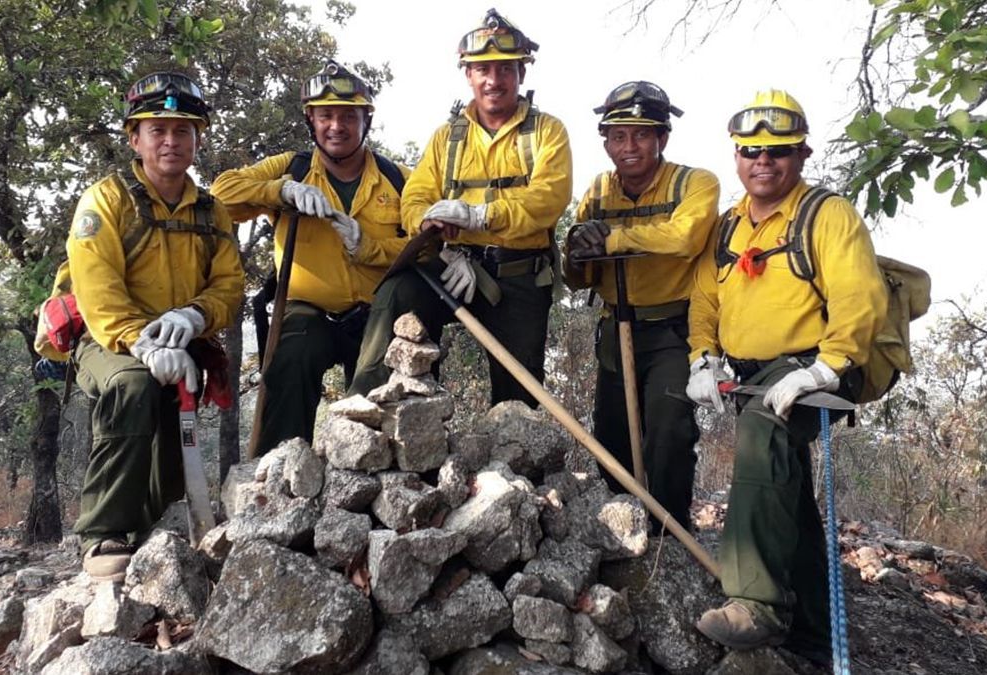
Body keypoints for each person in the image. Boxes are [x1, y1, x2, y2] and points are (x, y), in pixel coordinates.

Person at [687, 89, 887, 663]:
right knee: (785, 487)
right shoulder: (728, 227)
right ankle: (815, 633)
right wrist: (703, 355)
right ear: (736, 156)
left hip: (816, 367)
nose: (763, 162)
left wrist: (825, 365)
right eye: (751, 151)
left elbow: (860, 296)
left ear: (801, 155)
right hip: (750, 372)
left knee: (764, 434)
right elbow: (704, 300)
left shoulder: (827, 214)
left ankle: (757, 604)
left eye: (777, 151)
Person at [67, 72, 243, 580]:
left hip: (182, 338)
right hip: (108, 339)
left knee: (174, 422)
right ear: (134, 138)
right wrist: (140, 342)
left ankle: (155, 531)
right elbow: (96, 289)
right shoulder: (105, 202)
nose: (171, 141)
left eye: (183, 131)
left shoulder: (213, 211)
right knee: (134, 385)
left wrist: (194, 316)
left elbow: (230, 285)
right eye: (157, 130)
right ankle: (102, 534)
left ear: (197, 139)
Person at [348, 8, 572, 406]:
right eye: (482, 69)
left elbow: (550, 198)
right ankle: (367, 409)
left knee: (517, 401)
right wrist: (433, 224)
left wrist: (479, 216)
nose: (493, 80)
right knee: (399, 292)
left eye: (504, 69)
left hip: (518, 275)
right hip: (453, 266)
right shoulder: (446, 137)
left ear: (522, 72)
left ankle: (515, 463)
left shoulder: (546, 132)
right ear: (467, 74)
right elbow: (414, 200)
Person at [212, 59, 410, 455]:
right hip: (307, 310)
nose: (336, 126)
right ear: (311, 121)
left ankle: (386, 485)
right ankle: (280, 475)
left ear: (365, 121)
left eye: (347, 116)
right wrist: (280, 192)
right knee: (291, 362)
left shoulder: (399, 178)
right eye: (326, 116)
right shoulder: (292, 168)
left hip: (376, 314)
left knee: (391, 395)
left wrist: (370, 247)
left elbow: (423, 244)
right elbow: (219, 196)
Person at [563, 81, 719, 527]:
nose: (628, 147)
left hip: (673, 328)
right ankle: (626, 524)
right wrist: (577, 247)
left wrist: (614, 238)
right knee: (611, 436)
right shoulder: (598, 192)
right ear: (606, 142)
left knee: (668, 430)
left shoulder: (695, 183)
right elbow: (579, 277)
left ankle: (671, 531)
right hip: (616, 327)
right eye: (617, 136)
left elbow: (686, 237)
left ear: (662, 138)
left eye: (641, 135)